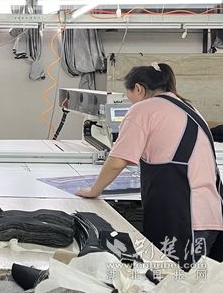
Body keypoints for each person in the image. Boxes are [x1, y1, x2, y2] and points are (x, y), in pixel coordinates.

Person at [76, 62, 223, 269]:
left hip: (184, 220)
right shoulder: (189, 108)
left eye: (129, 97)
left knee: (173, 280)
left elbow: (117, 161)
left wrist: (94, 190)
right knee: (192, 280)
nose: (129, 102)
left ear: (138, 88)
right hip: (209, 215)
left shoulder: (143, 109)